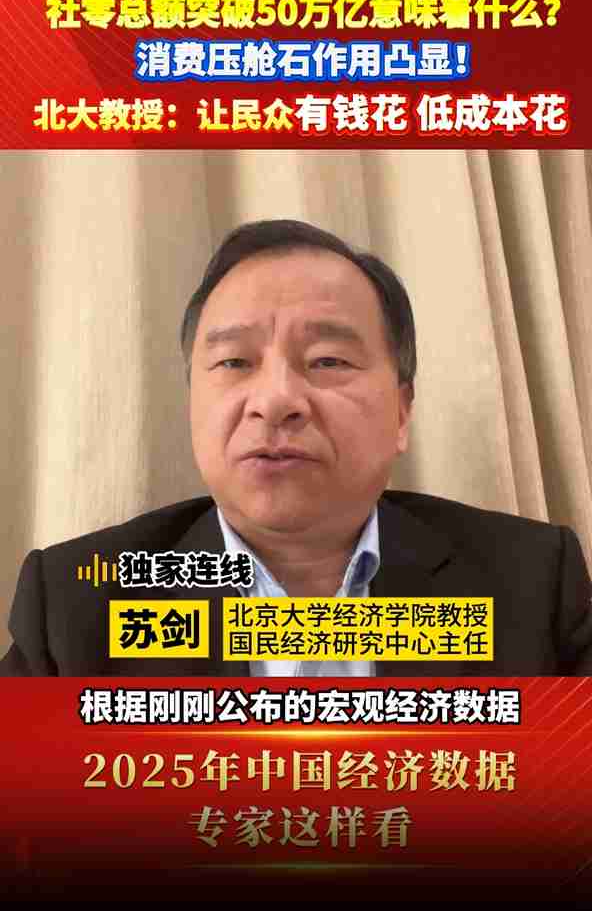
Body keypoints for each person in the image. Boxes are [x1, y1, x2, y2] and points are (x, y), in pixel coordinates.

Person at [1, 219, 591, 676]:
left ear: (402, 411)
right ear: (191, 402)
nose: (276, 399)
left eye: (327, 360)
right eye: (235, 362)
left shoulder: (532, 583)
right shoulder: (78, 604)